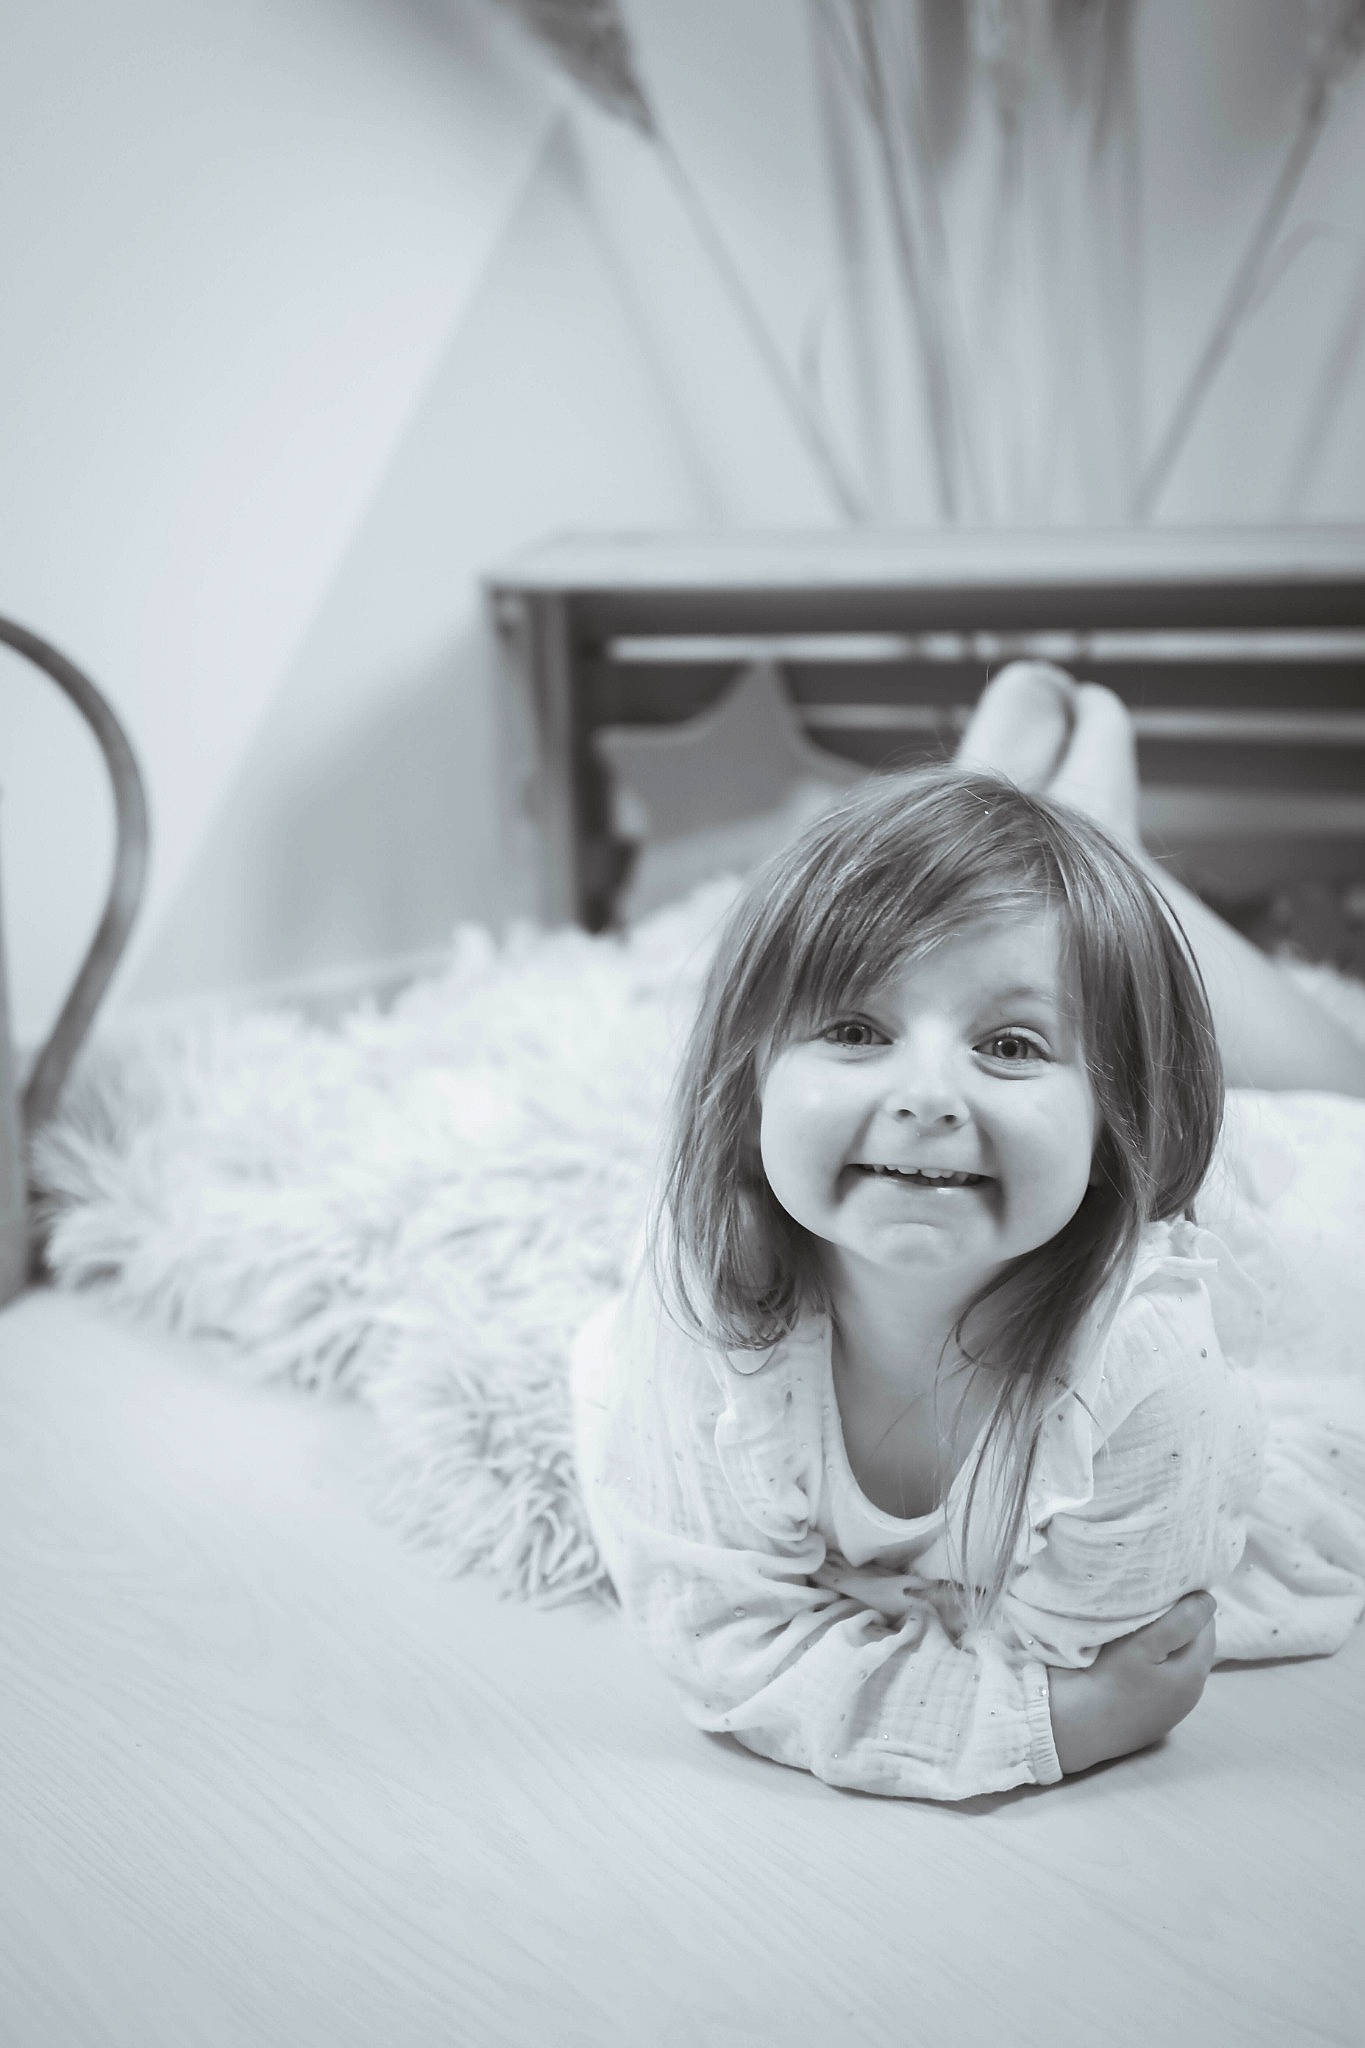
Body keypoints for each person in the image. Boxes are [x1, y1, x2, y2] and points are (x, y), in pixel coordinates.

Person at [569, 666, 1365, 1801]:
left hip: (1316, 1238)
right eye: (856, 1025)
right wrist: (1050, 1723)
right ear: (744, 1092)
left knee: (1334, 1099)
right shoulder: (696, 1309)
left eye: (1007, 1045)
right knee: (1033, 937)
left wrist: (1052, 1706)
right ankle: (1029, 834)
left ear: (1118, 1116)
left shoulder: (1154, 1375)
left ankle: (1089, 840)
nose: (928, 1092)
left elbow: (1097, 1664)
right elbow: (722, 1639)